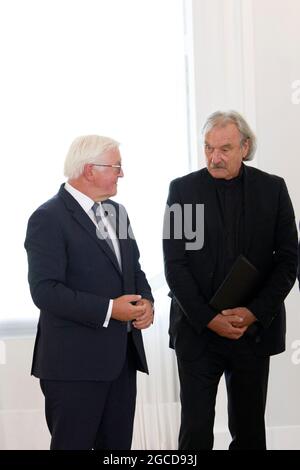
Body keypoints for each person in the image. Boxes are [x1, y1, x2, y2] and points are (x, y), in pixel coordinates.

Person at [163, 111, 298, 450]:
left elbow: (287, 262)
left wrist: (253, 313)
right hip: (197, 332)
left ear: (245, 147)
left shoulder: (273, 189)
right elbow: (175, 264)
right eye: (208, 148)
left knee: (250, 431)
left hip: (251, 331)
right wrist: (209, 319)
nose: (214, 157)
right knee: (194, 432)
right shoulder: (183, 191)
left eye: (224, 149)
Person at [25, 135, 154, 450]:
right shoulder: (48, 218)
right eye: (116, 166)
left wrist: (146, 301)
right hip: (73, 368)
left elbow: (133, 270)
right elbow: (46, 291)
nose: (121, 174)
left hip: (121, 362)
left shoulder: (117, 212)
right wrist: (111, 310)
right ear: (89, 170)